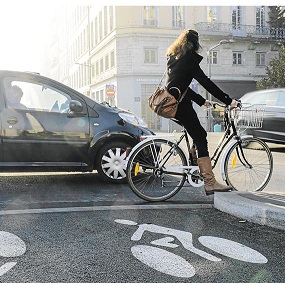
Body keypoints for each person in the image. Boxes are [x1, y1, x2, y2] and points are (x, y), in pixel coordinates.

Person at [165, 29, 238, 195]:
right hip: (180, 106)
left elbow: (179, 86)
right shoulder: (189, 59)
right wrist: (228, 100)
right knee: (201, 136)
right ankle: (210, 182)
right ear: (195, 43)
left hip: (172, 104)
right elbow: (206, 82)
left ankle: (194, 166)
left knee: (196, 134)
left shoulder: (175, 57)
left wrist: (201, 101)